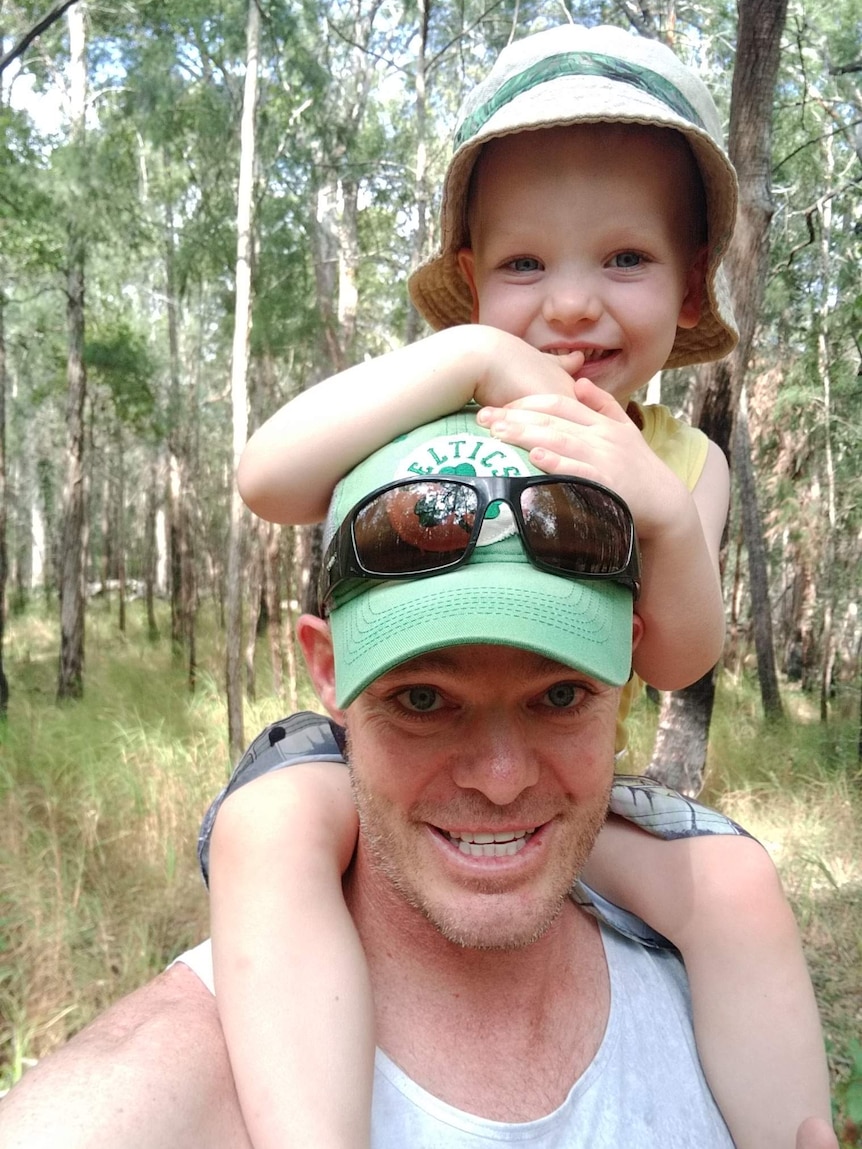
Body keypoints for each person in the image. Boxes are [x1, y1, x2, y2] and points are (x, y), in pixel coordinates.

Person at [201, 22, 833, 1149]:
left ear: (691, 287)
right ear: (469, 280)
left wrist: (648, 502)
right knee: (268, 827)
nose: (574, 307)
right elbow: (267, 477)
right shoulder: (443, 395)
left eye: (624, 259)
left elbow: (676, 654)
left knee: (734, 886)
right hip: (388, 744)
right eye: (524, 265)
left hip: (567, 777)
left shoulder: (688, 464)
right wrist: (468, 363)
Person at [0, 409, 838, 1149]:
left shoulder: (713, 986)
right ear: (327, 672)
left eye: (559, 694)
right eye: (425, 698)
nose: (502, 779)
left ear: (628, 663)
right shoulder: (203, 1067)